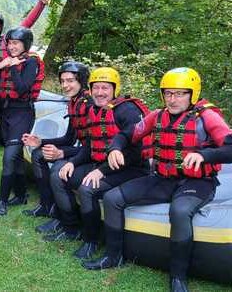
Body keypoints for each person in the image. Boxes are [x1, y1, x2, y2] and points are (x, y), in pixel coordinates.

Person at [83, 68, 232, 292]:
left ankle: (178, 277)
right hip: (163, 178)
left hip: (198, 182)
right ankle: (113, 257)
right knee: (112, 198)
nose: (173, 99)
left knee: (180, 211)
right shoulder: (157, 115)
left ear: (192, 93)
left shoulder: (207, 116)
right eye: (168, 93)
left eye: (180, 93)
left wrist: (204, 155)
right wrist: (115, 148)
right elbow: (127, 134)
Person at [46, 67, 147, 261]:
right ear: (90, 89)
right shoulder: (94, 109)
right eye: (96, 88)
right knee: (60, 176)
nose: (100, 93)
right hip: (103, 165)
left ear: (115, 89)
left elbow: (136, 152)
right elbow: (91, 145)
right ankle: (71, 228)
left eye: (105, 88)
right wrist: (73, 163)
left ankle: (91, 240)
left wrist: (102, 171)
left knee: (87, 188)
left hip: (132, 169)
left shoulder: (128, 111)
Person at [0, 0, 50, 194]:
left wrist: (40, 5)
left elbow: (25, 25)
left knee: (11, 143)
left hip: (5, 99)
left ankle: (17, 185)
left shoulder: (9, 44)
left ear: (0, 28)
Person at [22, 61, 91, 229]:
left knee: (57, 169)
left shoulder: (90, 105)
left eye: (70, 81)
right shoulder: (74, 102)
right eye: (62, 81)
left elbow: (92, 148)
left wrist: (61, 153)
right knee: (38, 153)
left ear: (81, 81)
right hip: (81, 150)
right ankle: (47, 205)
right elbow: (68, 138)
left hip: (90, 154)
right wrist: (41, 142)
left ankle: (67, 220)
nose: (65, 85)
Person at [0, 27, 45, 216]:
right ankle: (22, 195)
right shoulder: (9, 61)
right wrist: (1, 68)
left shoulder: (31, 63)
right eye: (9, 43)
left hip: (22, 112)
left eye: (15, 43)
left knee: (9, 157)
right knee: (15, 158)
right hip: (6, 112)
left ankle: (2, 201)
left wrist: (14, 66)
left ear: (25, 45)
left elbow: (23, 88)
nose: (11, 46)